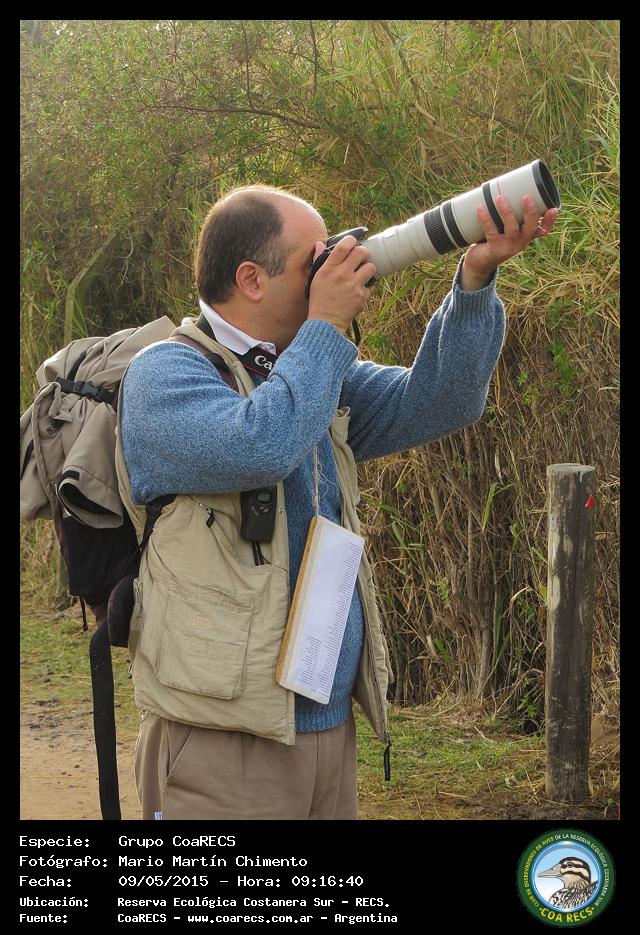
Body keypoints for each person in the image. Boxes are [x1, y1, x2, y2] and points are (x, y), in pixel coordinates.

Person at [116, 183, 558, 820]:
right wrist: (325, 326)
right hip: (222, 737)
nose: (335, 268)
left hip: (326, 724)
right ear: (251, 278)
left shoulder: (310, 372)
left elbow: (442, 402)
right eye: (314, 260)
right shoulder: (164, 374)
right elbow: (260, 445)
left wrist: (476, 277)